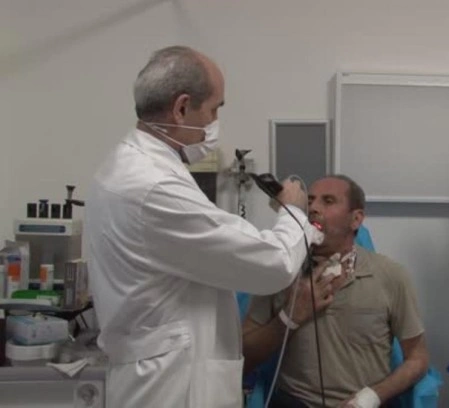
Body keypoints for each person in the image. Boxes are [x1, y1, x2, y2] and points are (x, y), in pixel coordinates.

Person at [84, 46, 321, 408]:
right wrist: (294, 214)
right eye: (213, 110)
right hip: (172, 386)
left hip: (156, 373)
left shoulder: (127, 166)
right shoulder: (154, 186)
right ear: (181, 108)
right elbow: (273, 265)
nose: (214, 123)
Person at [243, 175, 430, 408]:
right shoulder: (280, 272)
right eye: (309, 201)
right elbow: (243, 358)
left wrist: (371, 397)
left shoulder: (390, 276)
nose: (313, 208)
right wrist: (289, 317)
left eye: (328, 201)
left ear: (356, 219)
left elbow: (418, 358)